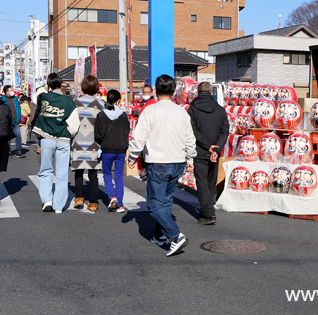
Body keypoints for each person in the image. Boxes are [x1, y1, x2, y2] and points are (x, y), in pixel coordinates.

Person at [128, 74, 197, 257]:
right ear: (174, 91)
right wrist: (190, 160)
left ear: (156, 90)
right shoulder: (181, 111)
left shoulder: (150, 111)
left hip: (158, 161)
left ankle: (175, 235)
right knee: (165, 200)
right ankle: (159, 235)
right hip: (177, 162)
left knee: (153, 203)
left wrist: (133, 156)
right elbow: (190, 139)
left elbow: (139, 137)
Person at [31, 73, 80, 213]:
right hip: (64, 140)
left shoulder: (43, 98)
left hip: (46, 138)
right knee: (62, 173)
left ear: (48, 85)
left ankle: (47, 200)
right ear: (61, 85)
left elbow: (35, 106)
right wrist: (66, 133)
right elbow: (74, 126)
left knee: (46, 170)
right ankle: (59, 206)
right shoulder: (69, 102)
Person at [187, 81, 230, 225]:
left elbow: (192, 131)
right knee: (211, 182)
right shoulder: (220, 110)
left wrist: (207, 145)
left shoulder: (192, 109)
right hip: (215, 153)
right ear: (211, 93)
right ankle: (209, 206)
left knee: (202, 182)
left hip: (200, 151)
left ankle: (208, 213)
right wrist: (216, 148)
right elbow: (225, 131)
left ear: (198, 93)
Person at [71, 76, 105, 211]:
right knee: (93, 172)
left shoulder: (75, 102)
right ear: (96, 88)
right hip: (94, 142)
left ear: (83, 87)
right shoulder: (100, 103)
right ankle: (93, 202)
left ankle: (79, 198)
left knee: (78, 171)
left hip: (78, 140)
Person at [95, 89, 130, 213]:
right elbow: (127, 132)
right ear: (119, 100)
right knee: (119, 177)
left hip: (107, 149)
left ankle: (112, 196)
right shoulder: (123, 115)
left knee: (107, 174)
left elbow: (97, 135)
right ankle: (120, 204)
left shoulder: (101, 115)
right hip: (121, 149)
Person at [1, 85, 24, 158]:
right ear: (7, 92)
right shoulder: (2, 100)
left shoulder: (15, 99)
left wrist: (19, 118)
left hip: (15, 121)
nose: (12, 91)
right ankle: (8, 151)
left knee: (18, 136)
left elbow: (18, 109)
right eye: (11, 90)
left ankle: (19, 150)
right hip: (7, 122)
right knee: (7, 138)